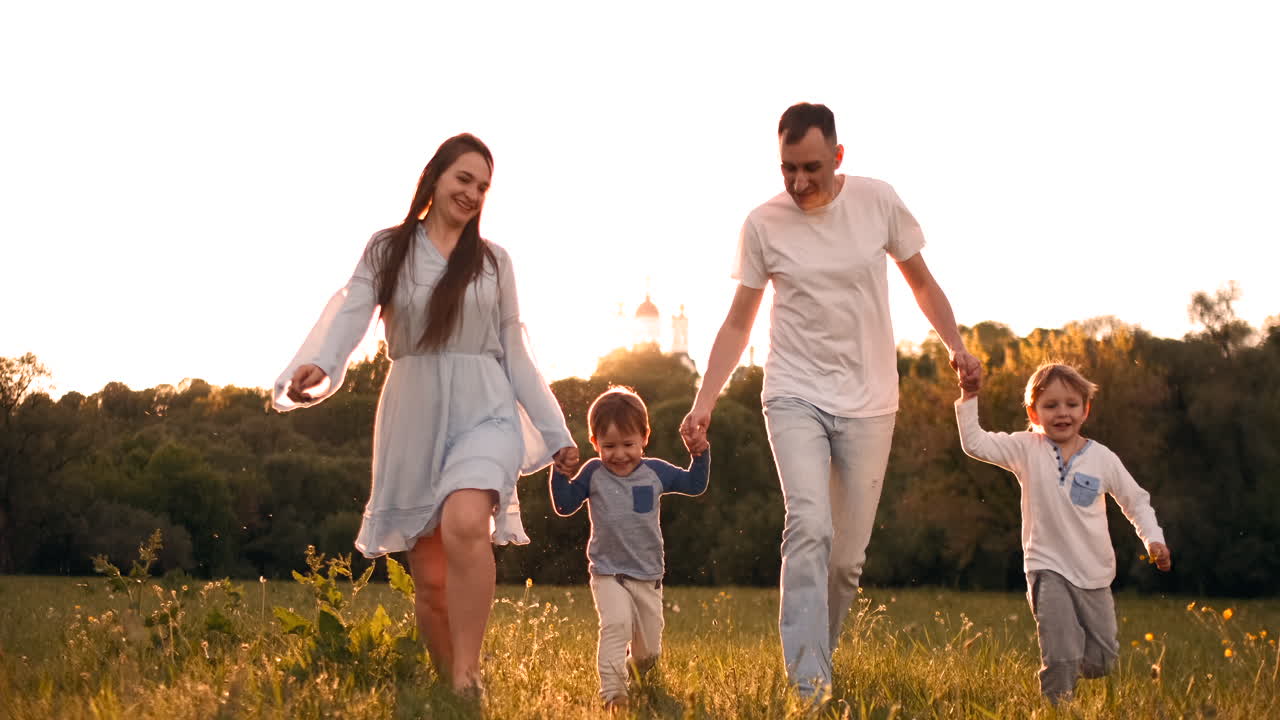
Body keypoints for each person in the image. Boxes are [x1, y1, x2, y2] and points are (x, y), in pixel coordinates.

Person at [679, 102, 981, 699]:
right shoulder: (763, 224)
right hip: (794, 393)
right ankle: (809, 685)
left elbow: (920, 280)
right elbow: (740, 322)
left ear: (838, 156)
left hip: (871, 400)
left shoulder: (876, 201)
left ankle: (822, 656)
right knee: (808, 524)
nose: (798, 182)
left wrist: (957, 345)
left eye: (811, 167)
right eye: (787, 168)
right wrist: (703, 400)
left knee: (846, 560)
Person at [272, 133, 578, 695]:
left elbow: (515, 348)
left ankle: (468, 675)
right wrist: (320, 363)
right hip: (412, 413)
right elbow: (353, 311)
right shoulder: (388, 250)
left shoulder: (493, 262)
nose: (473, 193)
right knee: (431, 578)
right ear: (435, 176)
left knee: (467, 522)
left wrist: (555, 430)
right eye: (464, 179)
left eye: (483, 187)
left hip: (486, 408)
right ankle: (451, 690)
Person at [955, 362, 1171, 703]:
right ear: (1034, 411)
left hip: (1094, 573)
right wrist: (969, 395)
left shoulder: (1102, 458)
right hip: (1047, 567)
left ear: (1085, 409)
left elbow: (1136, 501)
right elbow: (975, 444)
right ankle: (1058, 701)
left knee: (1102, 661)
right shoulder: (1026, 449)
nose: (1062, 413)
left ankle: (1069, 668)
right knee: (1061, 654)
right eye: (1050, 405)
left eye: (1071, 404)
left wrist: (1153, 538)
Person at [549, 387, 710, 709]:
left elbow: (694, 485)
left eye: (628, 444)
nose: (619, 454)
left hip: (647, 575)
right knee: (616, 625)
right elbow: (565, 506)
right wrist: (558, 473)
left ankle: (630, 675)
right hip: (607, 572)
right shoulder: (593, 473)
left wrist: (700, 453)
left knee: (648, 653)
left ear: (644, 438)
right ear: (594, 443)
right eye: (608, 446)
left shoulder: (656, 472)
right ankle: (613, 694)